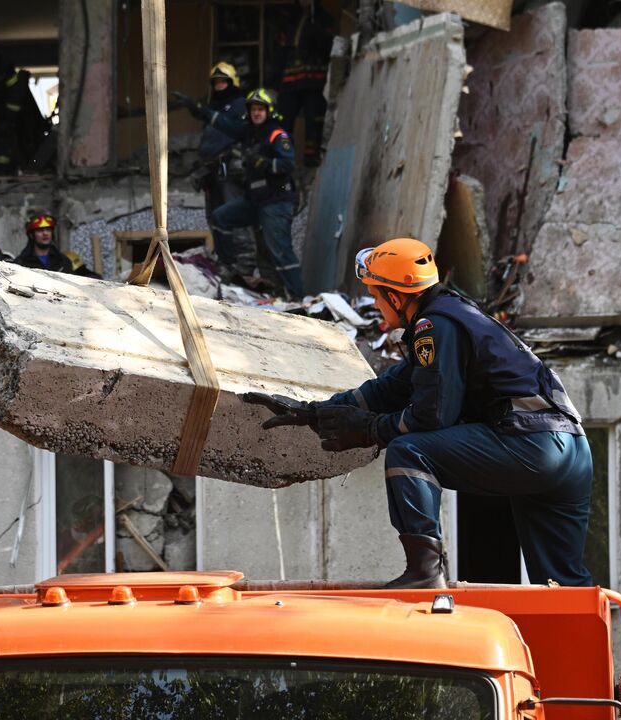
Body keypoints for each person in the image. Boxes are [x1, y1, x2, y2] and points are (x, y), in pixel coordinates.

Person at [247, 238, 593, 589]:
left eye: (377, 295)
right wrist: (312, 413)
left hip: (530, 444)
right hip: (571, 451)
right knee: (561, 586)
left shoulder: (434, 326)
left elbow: (432, 418)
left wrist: (370, 430)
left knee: (408, 451)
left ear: (396, 297)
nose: (377, 305)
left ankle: (426, 573)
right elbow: (389, 389)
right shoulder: (454, 316)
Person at [202, 89, 303, 299]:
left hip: (277, 200)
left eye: (260, 109)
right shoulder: (248, 131)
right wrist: (199, 110)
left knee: (280, 251)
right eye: (253, 109)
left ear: (269, 111)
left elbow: (288, 164)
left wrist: (262, 163)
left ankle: (298, 297)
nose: (256, 113)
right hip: (255, 200)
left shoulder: (278, 134)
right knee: (220, 217)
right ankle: (228, 266)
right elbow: (225, 124)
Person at [172, 63, 256, 280]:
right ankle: (226, 262)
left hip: (230, 172)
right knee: (215, 218)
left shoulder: (240, 106)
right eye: (216, 82)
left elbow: (243, 135)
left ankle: (245, 264)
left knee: (233, 216)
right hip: (212, 173)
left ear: (232, 82)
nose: (219, 86)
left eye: (223, 81)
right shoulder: (214, 108)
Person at [271, 0, 335, 167]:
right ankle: (282, 158)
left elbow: (329, 46)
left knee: (314, 120)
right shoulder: (291, 20)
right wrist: (275, 79)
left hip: (313, 80)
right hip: (290, 80)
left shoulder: (323, 19)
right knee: (284, 120)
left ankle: (311, 160)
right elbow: (280, 52)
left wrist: (316, 33)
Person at [14, 212, 101, 278]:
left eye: (48, 230)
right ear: (31, 235)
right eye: (40, 230)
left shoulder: (64, 261)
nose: (45, 233)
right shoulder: (21, 263)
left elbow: (85, 276)